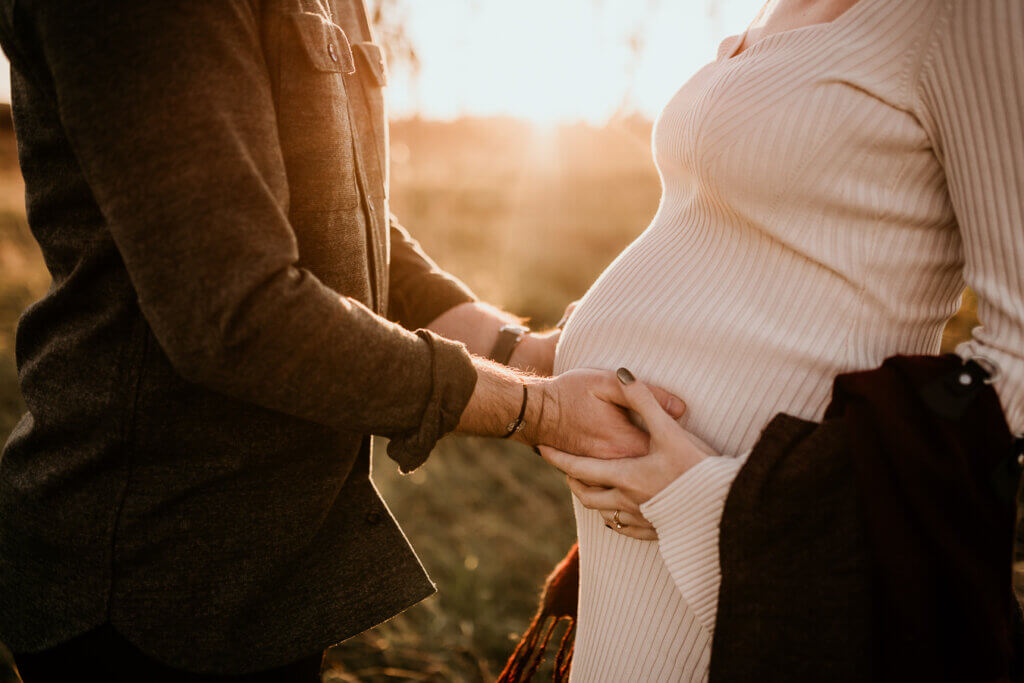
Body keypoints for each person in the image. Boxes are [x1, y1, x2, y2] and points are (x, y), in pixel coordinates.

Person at [0, 1, 686, 681]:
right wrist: (537, 408)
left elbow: (340, 220)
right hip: (150, 586)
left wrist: (516, 352)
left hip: (273, 574)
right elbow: (234, 315)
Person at [537, 0, 1024, 680]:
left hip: (763, 535)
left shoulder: (971, 17)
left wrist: (730, 500)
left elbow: (1020, 351)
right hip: (644, 518)